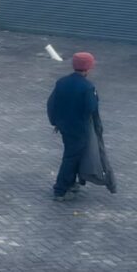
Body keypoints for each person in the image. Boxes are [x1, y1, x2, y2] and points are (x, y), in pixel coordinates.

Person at [47, 52, 101, 201]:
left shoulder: (62, 82)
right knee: (71, 158)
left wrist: (55, 122)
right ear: (88, 67)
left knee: (72, 155)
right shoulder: (87, 87)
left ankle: (70, 183)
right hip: (79, 129)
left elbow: (52, 104)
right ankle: (60, 190)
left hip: (64, 127)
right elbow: (91, 108)